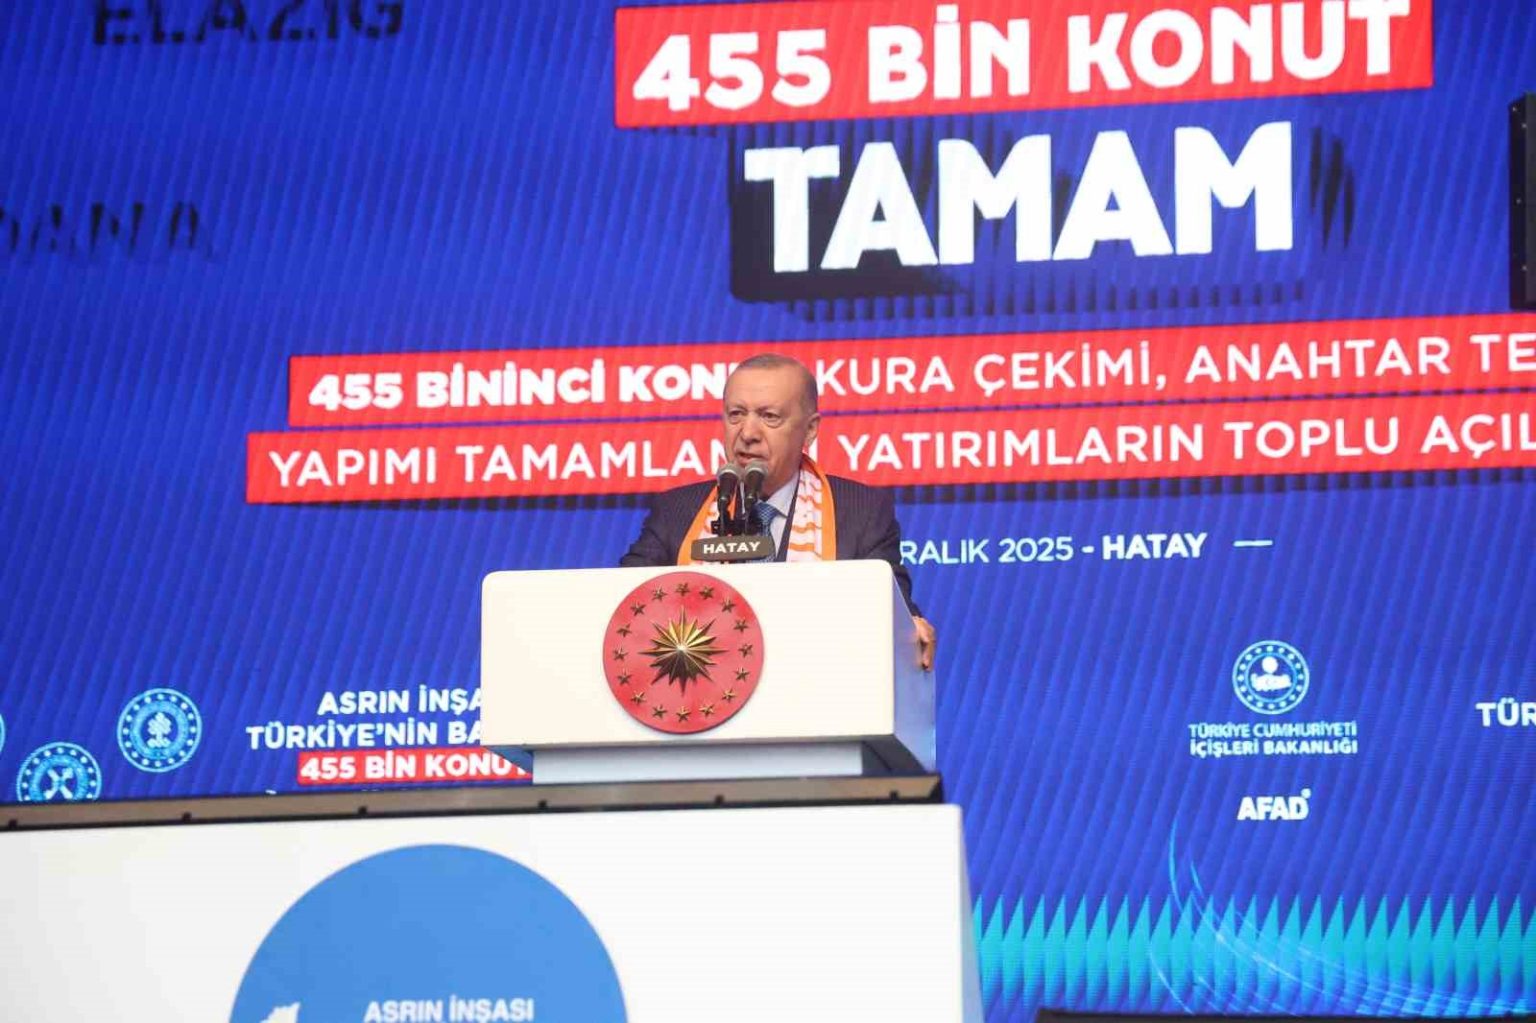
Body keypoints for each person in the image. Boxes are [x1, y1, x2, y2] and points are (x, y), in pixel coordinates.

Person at [620, 353, 937, 670]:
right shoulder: (677, 511)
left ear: (810, 430)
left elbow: (892, 607)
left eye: (769, 416)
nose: (747, 433)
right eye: (736, 414)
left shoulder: (860, 511)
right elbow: (620, 600)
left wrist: (910, 627)